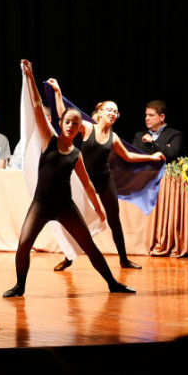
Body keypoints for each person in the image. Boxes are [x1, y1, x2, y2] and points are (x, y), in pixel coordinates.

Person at [3, 60, 135, 297]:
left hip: (65, 207)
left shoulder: (76, 154)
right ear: (60, 123)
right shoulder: (48, 138)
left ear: (78, 128)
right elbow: (36, 105)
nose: (71, 126)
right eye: (68, 122)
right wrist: (30, 77)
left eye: (76, 123)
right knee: (23, 244)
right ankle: (20, 286)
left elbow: (88, 185)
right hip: (41, 204)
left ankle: (112, 284)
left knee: (89, 246)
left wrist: (99, 209)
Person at [46, 79, 166, 271]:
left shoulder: (114, 137)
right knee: (74, 219)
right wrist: (58, 93)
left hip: (104, 180)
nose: (112, 113)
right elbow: (63, 115)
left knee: (114, 220)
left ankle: (124, 260)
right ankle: (68, 258)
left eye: (115, 111)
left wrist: (151, 157)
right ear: (100, 112)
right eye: (109, 109)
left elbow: (128, 156)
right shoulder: (87, 127)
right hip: (84, 180)